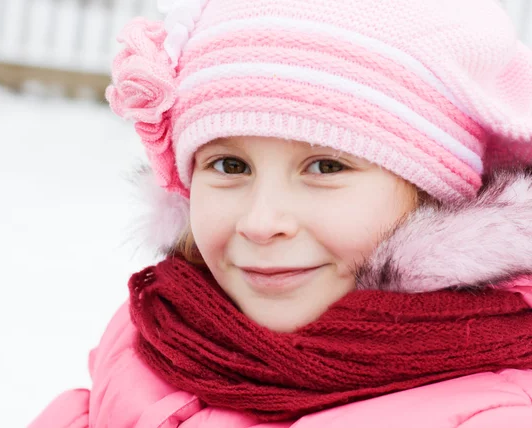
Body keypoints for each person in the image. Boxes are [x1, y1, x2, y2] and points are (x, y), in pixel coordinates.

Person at [30, 0, 532, 426]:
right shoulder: (154, 334)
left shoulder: (490, 411)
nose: (261, 222)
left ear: (433, 195)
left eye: (326, 166)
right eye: (230, 165)